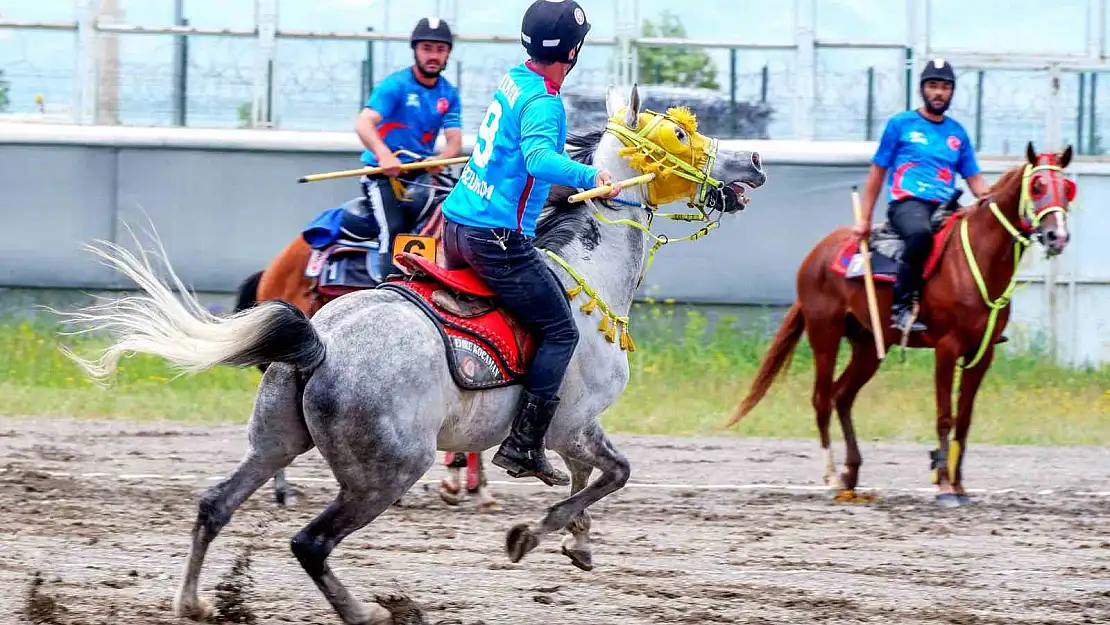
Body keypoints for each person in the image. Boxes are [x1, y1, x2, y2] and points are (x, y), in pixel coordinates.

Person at [438, 0, 620, 487]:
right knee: (562, 330)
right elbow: (539, 159)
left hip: (454, 225)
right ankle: (522, 444)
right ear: (573, 50)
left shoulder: (514, 80)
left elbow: (524, 159)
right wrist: (592, 174)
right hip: (493, 239)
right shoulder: (544, 101)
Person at [855, 58, 992, 333]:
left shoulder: (958, 133)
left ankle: (981, 317)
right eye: (933, 86)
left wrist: (992, 203)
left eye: (944, 87)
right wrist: (864, 220)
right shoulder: (900, 125)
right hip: (908, 204)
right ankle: (901, 308)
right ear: (922, 90)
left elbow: (974, 178)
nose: (939, 92)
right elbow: (877, 174)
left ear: (951, 92)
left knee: (983, 242)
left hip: (946, 206)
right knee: (920, 237)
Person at [354, 16, 463, 279]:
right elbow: (363, 123)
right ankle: (385, 289)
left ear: (448, 52)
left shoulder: (449, 94)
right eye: (427, 48)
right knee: (393, 230)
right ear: (415, 50)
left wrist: (441, 159)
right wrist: (384, 155)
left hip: (422, 176)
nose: (433, 55)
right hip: (383, 176)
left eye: (440, 49)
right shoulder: (396, 85)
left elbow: (454, 142)